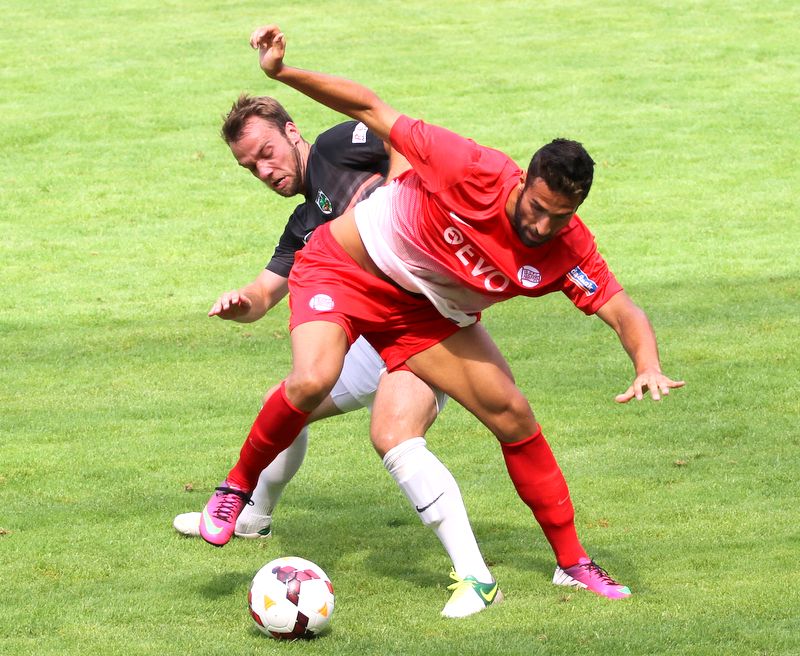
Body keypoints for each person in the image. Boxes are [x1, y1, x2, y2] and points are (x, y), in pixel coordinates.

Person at [198, 24, 685, 607]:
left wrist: (647, 363)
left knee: (512, 416)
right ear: (523, 181)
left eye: (559, 217)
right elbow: (370, 107)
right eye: (536, 208)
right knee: (311, 379)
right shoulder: (469, 167)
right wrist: (281, 73)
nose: (541, 226)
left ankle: (573, 563)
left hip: (421, 311)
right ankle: (237, 489)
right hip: (344, 268)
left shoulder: (568, 248)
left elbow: (623, 310)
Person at [177, 95, 501, 618]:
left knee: (395, 436)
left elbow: (400, 135)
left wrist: (392, 196)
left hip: (423, 327)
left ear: (292, 131)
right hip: (373, 342)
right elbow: (264, 294)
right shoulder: (303, 224)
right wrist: (242, 303)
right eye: (250, 167)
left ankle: (478, 578)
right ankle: (253, 516)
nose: (264, 171)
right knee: (286, 402)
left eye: (266, 153)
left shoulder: (336, 146)